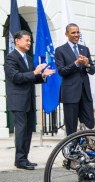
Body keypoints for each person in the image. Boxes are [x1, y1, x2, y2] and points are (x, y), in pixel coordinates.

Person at [4, 30, 55, 170]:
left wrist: (42, 75)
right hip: (18, 101)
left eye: (29, 40)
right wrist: (34, 73)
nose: (29, 43)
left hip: (29, 100)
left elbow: (32, 77)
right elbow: (16, 77)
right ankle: (20, 160)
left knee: (27, 131)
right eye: (26, 40)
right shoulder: (10, 58)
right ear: (17, 41)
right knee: (21, 131)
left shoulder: (27, 57)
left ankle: (24, 158)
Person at [55, 23, 95, 136]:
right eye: (73, 32)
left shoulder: (85, 49)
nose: (76, 35)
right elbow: (62, 71)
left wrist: (87, 65)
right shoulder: (60, 50)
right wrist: (76, 63)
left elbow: (92, 70)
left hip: (85, 93)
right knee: (71, 126)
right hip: (70, 94)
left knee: (89, 123)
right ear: (66, 34)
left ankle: (88, 147)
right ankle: (73, 149)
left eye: (78, 32)